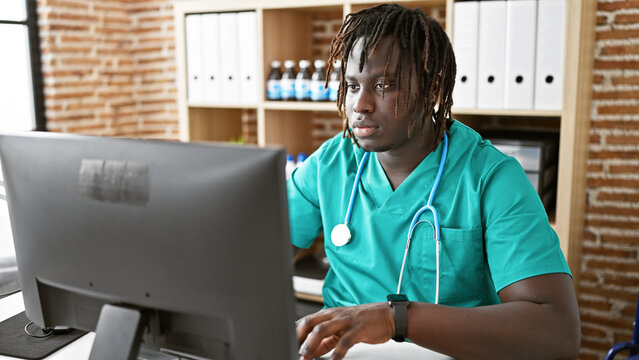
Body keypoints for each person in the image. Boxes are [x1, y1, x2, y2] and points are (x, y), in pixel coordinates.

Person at [287, 4, 580, 360]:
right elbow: (256, 254)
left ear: (432, 86)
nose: (359, 104)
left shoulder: (491, 177)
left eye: (383, 85)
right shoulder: (332, 162)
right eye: (351, 85)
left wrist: (395, 319)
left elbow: (557, 332)